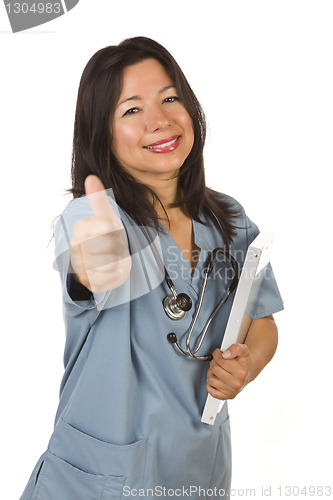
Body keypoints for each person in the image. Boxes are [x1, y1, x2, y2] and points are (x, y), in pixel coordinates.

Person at [20, 36, 284, 500]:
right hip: (96, 482)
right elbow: (88, 259)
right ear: (102, 133)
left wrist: (249, 364)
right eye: (132, 110)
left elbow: (260, 322)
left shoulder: (231, 221)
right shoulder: (93, 217)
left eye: (169, 98)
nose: (160, 121)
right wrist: (94, 266)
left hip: (197, 470)